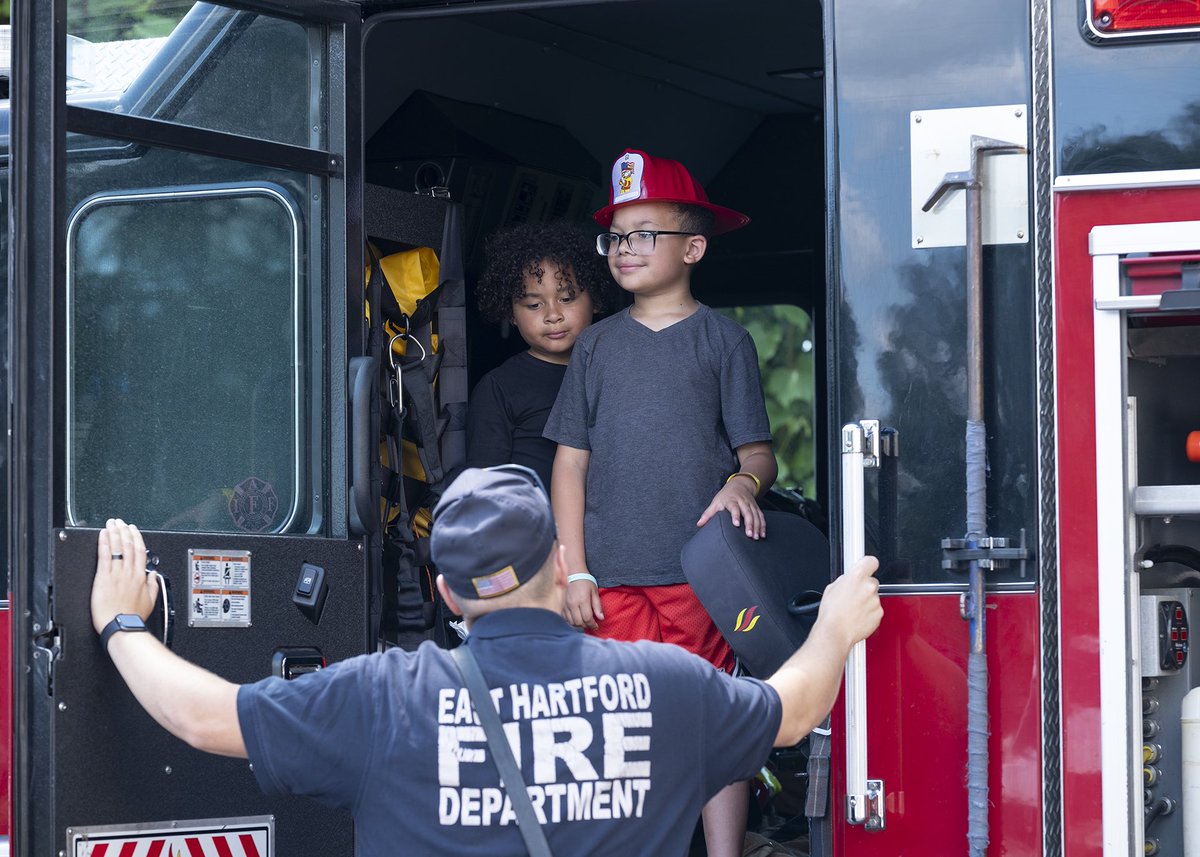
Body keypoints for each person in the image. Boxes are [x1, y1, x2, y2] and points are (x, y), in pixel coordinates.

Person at [90, 466, 883, 857]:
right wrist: (839, 623)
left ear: (445, 591)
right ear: (562, 555)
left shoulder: (381, 697)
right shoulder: (665, 684)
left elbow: (200, 715)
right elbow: (798, 704)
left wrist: (120, 618)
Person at [543, 149, 775, 854]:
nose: (625, 248)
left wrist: (744, 482)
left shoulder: (724, 341)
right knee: (617, 727)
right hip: (609, 579)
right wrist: (574, 567)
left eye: (645, 233)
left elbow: (757, 453)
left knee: (710, 719)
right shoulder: (596, 347)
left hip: (698, 577)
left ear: (693, 247)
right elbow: (569, 462)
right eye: (615, 236)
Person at [467, 221, 617, 491]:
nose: (553, 315)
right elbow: (485, 492)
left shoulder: (614, 372)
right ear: (511, 313)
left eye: (567, 299)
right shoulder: (499, 388)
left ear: (594, 299)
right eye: (534, 305)